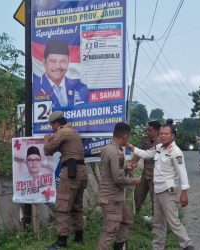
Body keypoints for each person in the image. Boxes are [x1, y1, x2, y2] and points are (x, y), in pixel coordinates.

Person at [128, 124, 194, 250]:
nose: (163, 136)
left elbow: (182, 172)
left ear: (172, 135)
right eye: (161, 134)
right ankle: (158, 247)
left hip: (168, 192)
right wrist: (131, 147)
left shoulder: (176, 152)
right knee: (158, 223)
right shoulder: (158, 148)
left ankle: (187, 245)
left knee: (173, 222)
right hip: (158, 190)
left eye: (166, 134)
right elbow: (146, 154)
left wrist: (184, 192)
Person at [44, 111, 87, 249]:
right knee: (76, 206)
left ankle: (62, 241)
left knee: (62, 206)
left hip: (70, 172)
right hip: (81, 172)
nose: (51, 128)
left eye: (51, 125)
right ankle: (79, 237)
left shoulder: (62, 132)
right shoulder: (73, 131)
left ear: (56, 123)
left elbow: (47, 150)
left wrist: (47, 140)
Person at [97, 123, 141, 250]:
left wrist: (126, 168)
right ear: (125, 136)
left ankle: (118, 247)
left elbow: (113, 171)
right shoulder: (115, 152)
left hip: (116, 197)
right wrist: (135, 181)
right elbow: (118, 179)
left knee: (127, 221)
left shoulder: (108, 148)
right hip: (112, 198)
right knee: (110, 230)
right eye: (129, 136)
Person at [34, 40, 88, 108]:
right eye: (53, 61)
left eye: (63, 61)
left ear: (69, 61)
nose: (58, 66)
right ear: (44, 62)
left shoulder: (80, 88)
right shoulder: (34, 88)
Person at [132, 120, 161, 216]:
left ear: (157, 131)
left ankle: (156, 222)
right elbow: (138, 151)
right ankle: (136, 215)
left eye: (149, 130)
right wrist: (133, 163)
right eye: (146, 130)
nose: (147, 132)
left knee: (155, 199)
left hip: (156, 175)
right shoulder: (145, 139)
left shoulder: (162, 142)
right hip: (145, 173)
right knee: (138, 194)